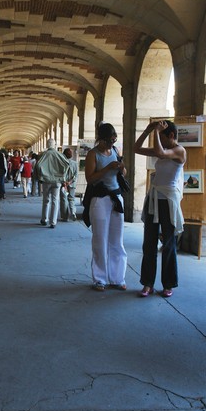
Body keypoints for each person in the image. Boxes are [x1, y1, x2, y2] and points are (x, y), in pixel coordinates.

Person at [134, 119, 186, 298]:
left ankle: (168, 284)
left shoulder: (179, 150)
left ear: (171, 135)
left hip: (168, 201)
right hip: (154, 198)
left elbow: (161, 153)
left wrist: (155, 132)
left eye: (162, 137)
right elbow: (136, 148)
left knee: (169, 243)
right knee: (149, 242)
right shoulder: (162, 148)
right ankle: (147, 283)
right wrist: (149, 130)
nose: (160, 141)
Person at [84, 123, 127, 292]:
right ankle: (100, 279)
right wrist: (108, 168)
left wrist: (122, 168)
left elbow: (124, 174)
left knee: (117, 240)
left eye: (113, 140)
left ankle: (118, 278)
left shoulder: (116, 151)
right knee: (100, 239)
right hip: (100, 199)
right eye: (108, 141)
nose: (111, 144)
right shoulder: (92, 154)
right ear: (100, 139)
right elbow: (90, 178)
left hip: (116, 197)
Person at [34, 139, 72, 228]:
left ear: (47, 145)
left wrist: (41, 175)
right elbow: (67, 164)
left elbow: (38, 165)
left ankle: (44, 219)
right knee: (55, 201)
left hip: (46, 180)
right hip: (57, 181)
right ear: (54, 145)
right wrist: (63, 175)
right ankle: (53, 222)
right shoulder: (59, 154)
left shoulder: (44, 155)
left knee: (46, 200)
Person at [60, 148, 78, 221]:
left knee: (64, 200)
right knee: (71, 199)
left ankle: (65, 217)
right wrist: (70, 182)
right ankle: (73, 212)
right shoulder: (75, 163)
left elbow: (61, 174)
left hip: (63, 184)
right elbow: (76, 175)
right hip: (72, 184)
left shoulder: (61, 162)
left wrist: (65, 182)